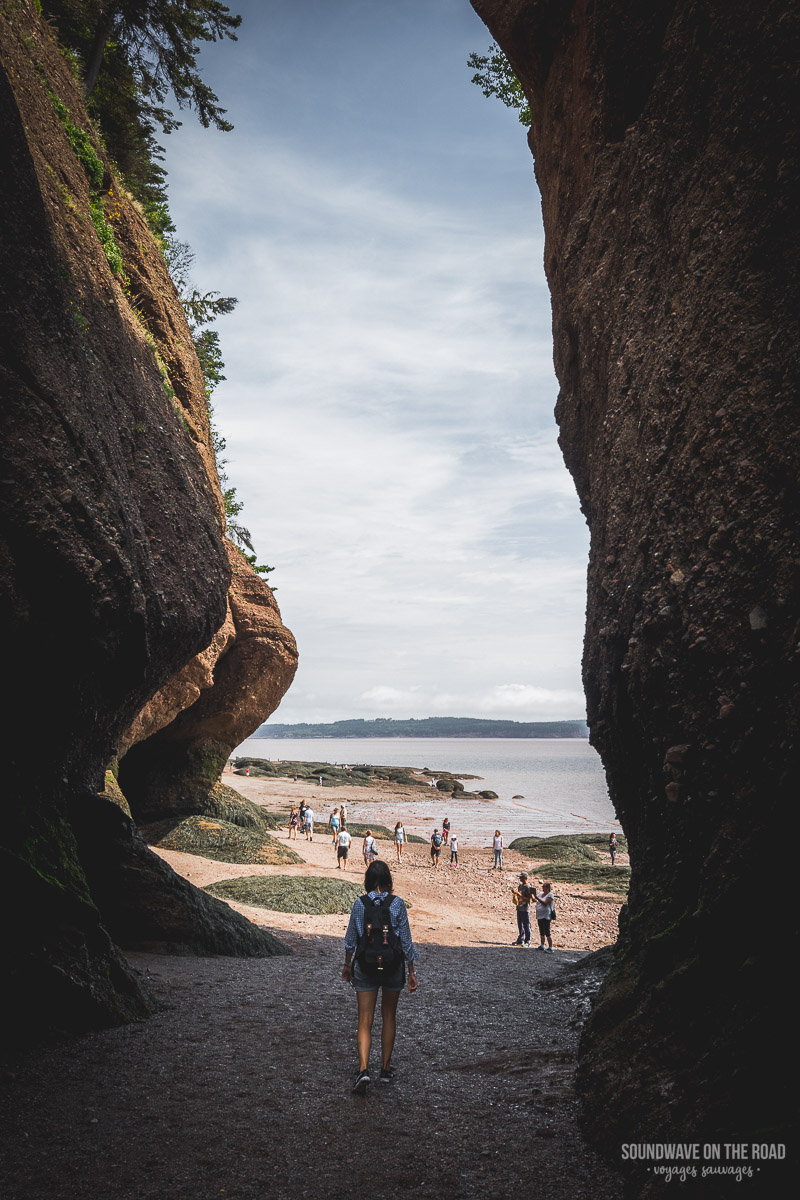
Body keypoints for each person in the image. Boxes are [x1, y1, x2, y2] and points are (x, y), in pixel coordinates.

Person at [342, 860, 418, 1094]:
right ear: (388, 881)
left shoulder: (359, 904)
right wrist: (412, 970)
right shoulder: (397, 904)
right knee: (389, 1017)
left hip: (365, 966)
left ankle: (363, 1069)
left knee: (364, 1020)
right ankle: (385, 1069)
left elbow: (351, 939)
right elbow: (405, 940)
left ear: (368, 880)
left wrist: (347, 966)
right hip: (393, 967)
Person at [511, 872, 534, 946]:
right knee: (520, 925)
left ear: (524, 878)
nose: (519, 879)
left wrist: (519, 895)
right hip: (519, 908)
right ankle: (521, 939)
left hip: (525, 909)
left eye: (521, 877)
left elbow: (529, 900)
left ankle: (528, 941)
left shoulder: (528, 887)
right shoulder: (520, 886)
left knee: (526, 925)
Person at [533, 881, 555, 951]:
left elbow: (545, 903)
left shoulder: (550, 895)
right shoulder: (541, 894)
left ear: (548, 888)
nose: (542, 888)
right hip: (540, 915)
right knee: (541, 930)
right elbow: (536, 901)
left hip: (546, 915)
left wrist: (537, 898)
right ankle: (542, 944)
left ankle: (550, 946)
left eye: (544, 887)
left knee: (547, 931)